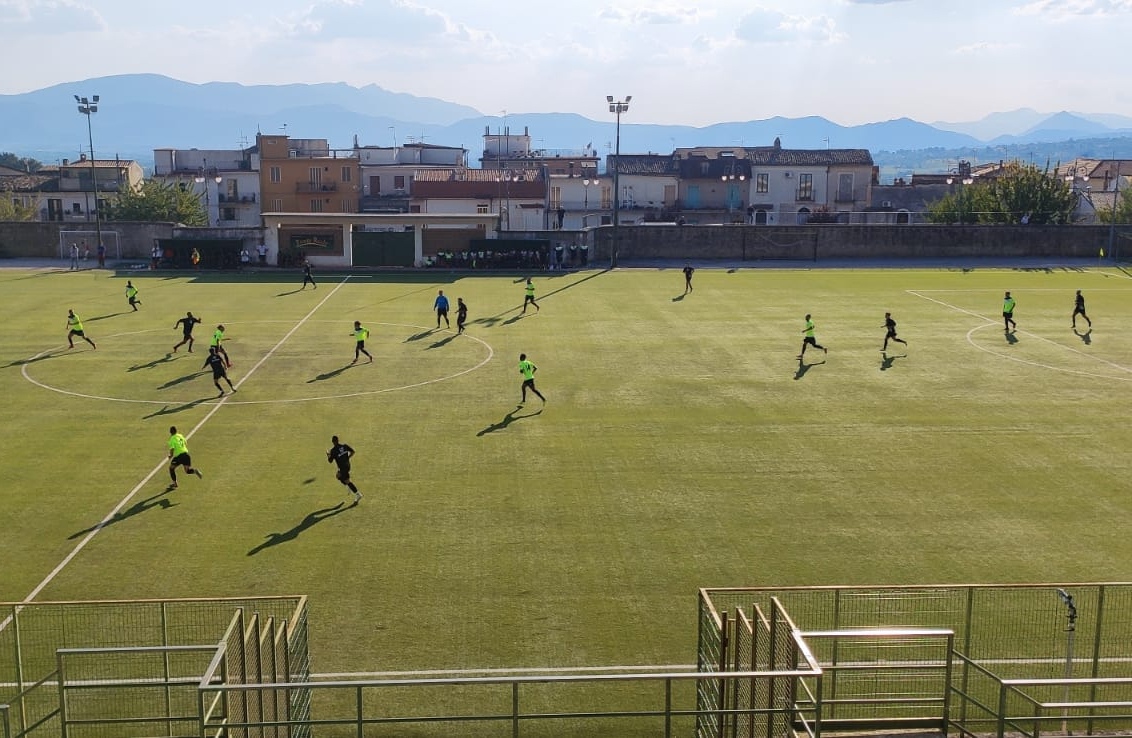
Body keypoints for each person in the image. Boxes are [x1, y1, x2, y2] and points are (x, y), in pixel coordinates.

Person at [327, 435, 362, 502]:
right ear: (338, 440)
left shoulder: (333, 451)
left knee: (346, 480)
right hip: (348, 466)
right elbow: (353, 451)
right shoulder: (344, 446)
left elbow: (330, 461)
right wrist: (348, 457)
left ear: (333, 442)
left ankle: (358, 494)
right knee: (338, 476)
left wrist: (328, 454)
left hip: (343, 468)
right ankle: (348, 487)